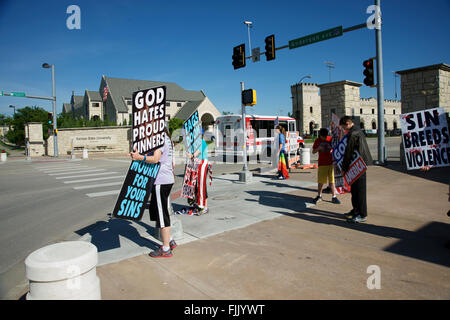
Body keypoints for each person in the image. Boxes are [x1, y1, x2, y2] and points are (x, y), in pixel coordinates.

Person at [129, 126, 177, 258]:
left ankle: (166, 248)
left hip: (160, 181)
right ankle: (170, 239)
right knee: (159, 211)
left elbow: (155, 159)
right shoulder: (168, 139)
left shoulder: (159, 139)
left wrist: (139, 157)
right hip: (167, 178)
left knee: (162, 214)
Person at [339, 116, 373, 223]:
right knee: (354, 190)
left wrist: (344, 168)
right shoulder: (357, 130)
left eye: (344, 127)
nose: (344, 130)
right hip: (358, 163)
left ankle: (362, 214)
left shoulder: (353, 134)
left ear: (348, 124)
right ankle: (356, 210)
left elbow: (348, 152)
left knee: (359, 191)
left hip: (359, 164)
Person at [312, 128, 340, 204]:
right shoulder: (317, 141)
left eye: (325, 136)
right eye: (323, 137)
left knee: (332, 181)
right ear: (320, 135)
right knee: (321, 181)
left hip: (330, 163)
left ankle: (334, 196)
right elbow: (313, 151)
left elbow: (335, 147)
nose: (324, 138)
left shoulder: (330, 139)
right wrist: (318, 148)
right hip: (322, 163)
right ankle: (319, 195)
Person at [186, 128, 210, 214]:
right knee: (195, 185)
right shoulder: (196, 143)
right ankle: (198, 204)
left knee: (202, 185)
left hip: (202, 164)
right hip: (196, 164)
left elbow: (196, 154)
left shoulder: (202, 142)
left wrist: (190, 155)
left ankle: (205, 206)